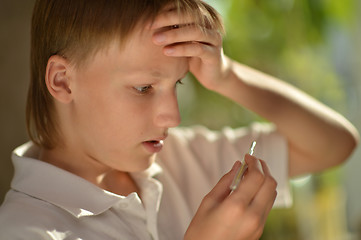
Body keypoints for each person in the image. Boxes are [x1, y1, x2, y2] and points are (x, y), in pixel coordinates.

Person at [0, 0, 358, 239]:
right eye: (143, 88)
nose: (172, 116)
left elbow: (335, 145)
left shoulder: (181, 161)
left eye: (177, 83)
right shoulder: (25, 229)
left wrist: (228, 76)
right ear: (62, 80)